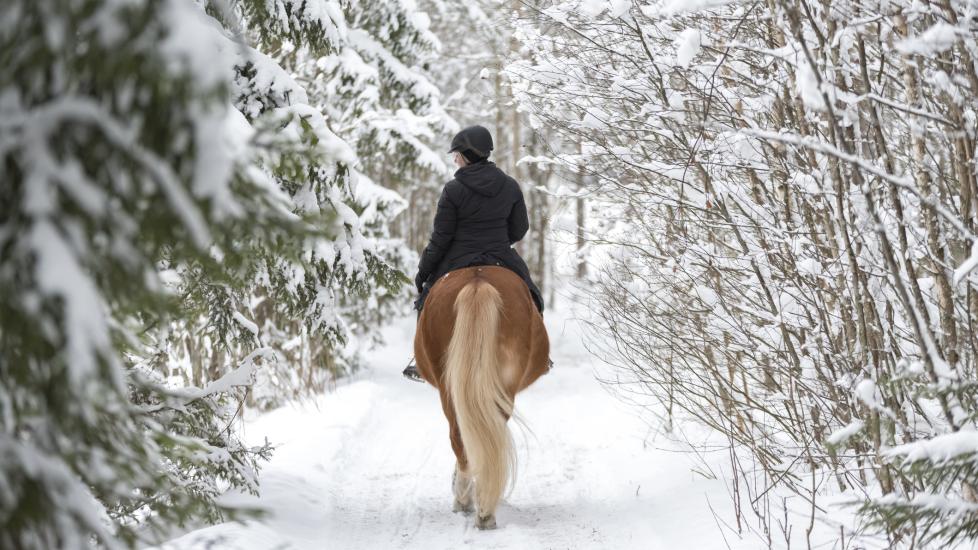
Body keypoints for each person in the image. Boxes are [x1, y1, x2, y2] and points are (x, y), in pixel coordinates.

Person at [403, 125, 544, 382]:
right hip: (500, 254)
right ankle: (538, 354)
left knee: (426, 301)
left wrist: (424, 271)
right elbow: (520, 228)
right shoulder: (510, 186)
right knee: (532, 296)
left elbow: (441, 237)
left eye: (456, 153)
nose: (455, 159)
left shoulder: (453, 190)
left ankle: (421, 360)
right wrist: (498, 243)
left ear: (466, 154)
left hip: (457, 257)